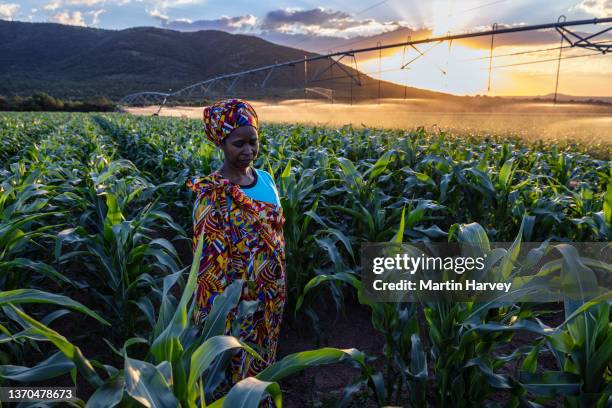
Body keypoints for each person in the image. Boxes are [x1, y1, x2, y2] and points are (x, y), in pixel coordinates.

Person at [186, 99, 286, 393]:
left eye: (253, 142)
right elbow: (207, 264)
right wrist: (217, 313)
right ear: (222, 142)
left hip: (272, 293)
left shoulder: (266, 179)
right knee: (237, 364)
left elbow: (276, 235)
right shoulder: (212, 194)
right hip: (237, 302)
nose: (248, 151)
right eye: (238, 143)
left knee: (264, 356)